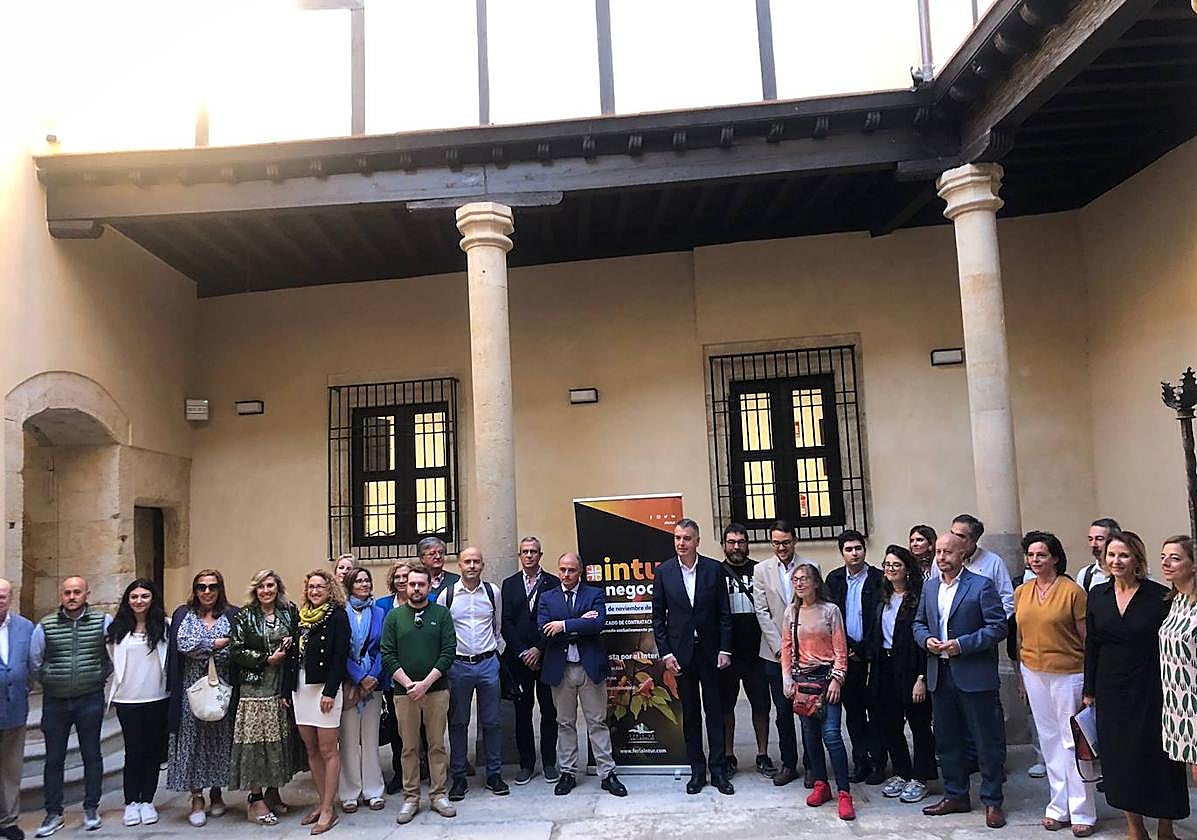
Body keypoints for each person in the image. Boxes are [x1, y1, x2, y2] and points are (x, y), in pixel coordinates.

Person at [1084, 532, 1190, 840]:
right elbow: (1093, 644)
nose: (1116, 561)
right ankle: (1135, 828)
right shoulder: (1098, 594)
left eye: (1124, 556)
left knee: (1159, 758)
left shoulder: (1160, 596)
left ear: (1137, 560)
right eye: (1111, 555)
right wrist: (1089, 690)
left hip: (1151, 687)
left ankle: (1166, 828)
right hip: (1110, 688)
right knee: (1120, 759)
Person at [913, 532, 1008, 829]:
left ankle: (993, 801)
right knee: (948, 740)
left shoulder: (981, 585)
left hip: (974, 675)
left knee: (985, 741)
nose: (942, 557)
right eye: (939, 552)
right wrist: (925, 639)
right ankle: (956, 795)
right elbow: (917, 623)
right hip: (939, 675)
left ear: (963, 553)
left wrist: (962, 644)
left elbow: (998, 627)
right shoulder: (929, 588)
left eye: (948, 552)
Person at [1012, 532, 1094, 837]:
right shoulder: (1022, 591)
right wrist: (1020, 672)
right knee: (1048, 739)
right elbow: (1019, 635)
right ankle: (1058, 806)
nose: (1035, 560)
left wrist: (1091, 682)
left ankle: (1082, 810)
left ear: (1055, 558)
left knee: (1072, 740)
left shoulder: (1072, 591)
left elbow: (1086, 638)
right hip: (1034, 671)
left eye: (1041, 555)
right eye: (1031, 555)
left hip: (1069, 673)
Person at [651, 519, 734, 795]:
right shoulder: (664, 572)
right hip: (680, 655)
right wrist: (666, 654)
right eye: (677, 537)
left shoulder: (713, 569)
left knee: (715, 712)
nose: (681, 543)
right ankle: (697, 771)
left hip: (711, 654)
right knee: (691, 715)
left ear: (697, 541)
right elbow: (658, 619)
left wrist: (725, 648)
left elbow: (725, 613)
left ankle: (719, 771)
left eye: (687, 538)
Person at [538, 553, 626, 797]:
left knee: (597, 722)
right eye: (562, 570)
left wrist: (563, 625)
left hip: (589, 668)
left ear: (581, 572)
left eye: (571, 570)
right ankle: (567, 773)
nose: (566, 575)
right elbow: (544, 632)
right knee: (564, 723)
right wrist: (579, 623)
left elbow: (597, 625)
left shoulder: (593, 594)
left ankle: (607, 773)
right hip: (561, 669)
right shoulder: (547, 597)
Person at [31, 576, 112, 837]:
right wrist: (50, 679)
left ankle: (91, 808)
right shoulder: (46, 625)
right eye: (67, 592)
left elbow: (111, 656)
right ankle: (53, 812)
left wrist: (99, 675)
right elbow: (35, 660)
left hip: (90, 698)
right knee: (54, 759)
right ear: (60, 596)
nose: (72, 596)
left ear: (87, 593)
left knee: (92, 754)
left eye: (77, 592)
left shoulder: (103, 622)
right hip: (55, 701)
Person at [381, 562, 457, 825]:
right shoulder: (394, 617)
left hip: (436, 690)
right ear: (405, 585)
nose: (415, 588)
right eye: (411, 584)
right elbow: (387, 654)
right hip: (404, 693)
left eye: (421, 584)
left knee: (436, 745)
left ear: (429, 586)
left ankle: (438, 795)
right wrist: (409, 683)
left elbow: (448, 651)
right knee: (409, 747)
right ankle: (411, 797)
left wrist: (426, 683)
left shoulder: (441, 614)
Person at [165, 569, 237, 828]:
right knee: (192, 740)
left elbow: (234, 647)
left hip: (221, 686)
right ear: (195, 590)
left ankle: (217, 792)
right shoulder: (183, 615)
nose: (207, 592)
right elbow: (183, 645)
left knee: (219, 739)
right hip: (190, 687)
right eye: (201, 587)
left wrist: (207, 644)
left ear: (220, 589)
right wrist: (215, 644)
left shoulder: (232, 614)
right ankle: (196, 797)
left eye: (212, 587)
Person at [782, 562, 854, 820]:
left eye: (804, 579)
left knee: (832, 735)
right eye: (795, 580)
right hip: (803, 682)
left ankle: (844, 792)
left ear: (815, 582)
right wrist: (787, 679)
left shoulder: (830, 611)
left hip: (827, 680)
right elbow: (787, 649)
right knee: (809, 735)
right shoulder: (792, 612)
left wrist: (838, 679)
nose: (799, 583)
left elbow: (840, 649)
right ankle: (821, 784)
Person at [864, 546, 936, 804]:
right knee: (890, 723)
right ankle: (902, 772)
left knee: (919, 724)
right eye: (886, 565)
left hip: (911, 666)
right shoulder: (881, 597)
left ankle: (921, 777)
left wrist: (921, 677)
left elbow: (924, 636)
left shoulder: (919, 597)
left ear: (907, 568)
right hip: (884, 665)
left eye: (896, 565)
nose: (890, 570)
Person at [228, 569, 299, 826]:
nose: (266, 591)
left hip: (280, 685)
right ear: (255, 590)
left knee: (277, 740)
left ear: (278, 588)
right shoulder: (245, 615)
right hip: (254, 687)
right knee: (256, 742)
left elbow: (298, 640)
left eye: (270, 586)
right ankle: (255, 798)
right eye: (261, 587)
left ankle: (273, 791)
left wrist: (292, 642)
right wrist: (266, 659)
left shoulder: (288, 611)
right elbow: (236, 649)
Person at [443, 547, 508, 799]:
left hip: (488, 663)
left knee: (492, 722)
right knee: (458, 722)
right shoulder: (447, 596)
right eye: (467, 561)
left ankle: (494, 774)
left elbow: (497, 626)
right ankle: (459, 776)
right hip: (458, 665)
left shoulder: (493, 593)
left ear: (483, 565)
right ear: (459, 565)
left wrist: (495, 655)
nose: (472, 566)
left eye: (476, 562)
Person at [105, 579, 170, 828]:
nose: (139, 601)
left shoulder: (164, 626)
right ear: (127, 600)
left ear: (152, 599)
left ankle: (148, 801)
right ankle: (131, 802)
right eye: (134, 596)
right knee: (134, 752)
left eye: (144, 596)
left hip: (156, 697)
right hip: (127, 699)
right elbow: (110, 660)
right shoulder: (116, 628)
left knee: (153, 752)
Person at [291, 569, 350, 835]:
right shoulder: (300, 616)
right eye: (311, 587)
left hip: (325, 689)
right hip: (300, 688)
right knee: (310, 748)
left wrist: (330, 691)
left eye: (320, 587)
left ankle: (328, 810)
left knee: (328, 750)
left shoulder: (338, 616)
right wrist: (286, 690)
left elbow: (340, 657)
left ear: (330, 590)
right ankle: (322, 801)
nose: (314, 591)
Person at [825, 529, 884, 784]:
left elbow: (881, 620)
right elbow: (829, 616)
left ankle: (879, 763)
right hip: (845, 657)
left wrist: (862, 650)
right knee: (855, 714)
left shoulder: (879, 579)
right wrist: (846, 648)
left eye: (858, 548)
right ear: (842, 553)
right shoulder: (834, 579)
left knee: (877, 713)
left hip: (872, 657)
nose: (854, 553)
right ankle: (861, 762)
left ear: (864, 549)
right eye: (849, 549)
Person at [499, 537, 559, 785]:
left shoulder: (553, 583)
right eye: (525, 552)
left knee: (549, 712)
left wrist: (539, 649)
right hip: (519, 660)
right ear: (519, 555)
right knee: (522, 714)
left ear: (540, 554)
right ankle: (526, 764)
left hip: (546, 657)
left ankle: (549, 763)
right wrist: (523, 652)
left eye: (534, 552)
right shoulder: (510, 584)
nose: (529, 556)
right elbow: (506, 622)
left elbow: (556, 618)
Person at [718, 524, 774, 778]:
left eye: (741, 542)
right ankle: (729, 755)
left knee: (761, 706)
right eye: (731, 542)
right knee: (725, 707)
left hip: (758, 651)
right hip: (728, 652)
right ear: (724, 545)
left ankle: (762, 754)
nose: (737, 547)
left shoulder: (760, 570)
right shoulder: (716, 572)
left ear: (748, 544)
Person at [751, 520, 803, 787]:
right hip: (773, 653)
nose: (781, 548)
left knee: (808, 710)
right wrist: (781, 648)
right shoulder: (761, 570)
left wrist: (799, 648)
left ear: (794, 541)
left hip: (807, 653)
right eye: (776, 543)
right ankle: (789, 763)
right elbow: (762, 612)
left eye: (785, 542)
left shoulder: (810, 566)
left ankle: (814, 765)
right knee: (783, 712)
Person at [338, 566, 386, 812]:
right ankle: (349, 792)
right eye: (358, 581)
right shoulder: (340, 613)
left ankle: (373, 790)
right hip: (348, 683)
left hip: (373, 684)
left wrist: (371, 677)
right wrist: (357, 677)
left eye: (367, 580)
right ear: (349, 585)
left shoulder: (379, 612)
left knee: (370, 739)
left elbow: (383, 648)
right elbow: (340, 651)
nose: (364, 584)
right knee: (347, 740)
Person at [1159, 535, 1197, 785]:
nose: (1166, 563)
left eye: (1175, 558)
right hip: (1178, 702)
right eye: (1163, 557)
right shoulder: (1175, 601)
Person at [0, 578, 35, 840]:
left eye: (3, 596)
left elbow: (32, 663)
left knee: (10, 769)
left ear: (11, 598)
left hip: (14, 709)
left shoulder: (25, 627)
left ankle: (8, 820)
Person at [377, 560, 411, 794]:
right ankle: (400, 773)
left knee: (421, 728)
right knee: (399, 727)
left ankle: (424, 769)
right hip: (393, 677)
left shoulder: (426, 602)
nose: (402, 580)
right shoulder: (382, 606)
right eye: (397, 576)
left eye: (406, 576)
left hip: (421, 676)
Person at [941, 514, 1015, 619]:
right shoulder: (941, 560)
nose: (953, 540)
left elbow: (1007, 600)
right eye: (952, 534)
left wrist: (992, 626)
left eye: (960, 536)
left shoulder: (993, 562)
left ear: (974, 540)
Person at [1078, 518, 1121, 591]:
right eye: (1090, 539)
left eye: (1099, 539)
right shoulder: (1085, 575)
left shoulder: (1132, 572)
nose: (1093, 545)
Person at [420, 538, 460, 604]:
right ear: (422, 559)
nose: (438, 557)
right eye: (432, 553)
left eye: (441, 553)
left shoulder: (456, 580)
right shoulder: (416, 581)